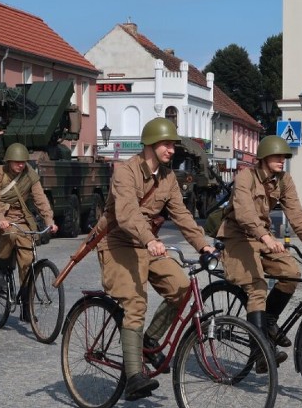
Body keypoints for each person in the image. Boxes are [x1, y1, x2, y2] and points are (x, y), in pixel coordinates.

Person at [95, 118, 214, 401]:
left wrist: (203, 246)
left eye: (173, 144)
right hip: (118, 242)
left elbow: (182, 216)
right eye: (165, 144)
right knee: (135, 302)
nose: (171, 149)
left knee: (183, 288)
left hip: (149, 244)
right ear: (149, 144)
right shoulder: (125, 173)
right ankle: (135, 376)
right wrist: (149, 239)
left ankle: (151, 337)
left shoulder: (168, 178)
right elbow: (126, 214)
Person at [216, 135, 302, 374]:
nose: (282, 160)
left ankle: (269, 321)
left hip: (262, 237)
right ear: (263, 158)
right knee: (257, 287)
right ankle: (260, 351)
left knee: (291, 273)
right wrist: (267, 238)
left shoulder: (284, 180)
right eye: (277, 156)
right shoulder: (245, 177)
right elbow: (244, 213)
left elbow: (296, 214)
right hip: (238, 236)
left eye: (284, 156)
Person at [0, 143, 58, 299]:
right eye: (16, 162)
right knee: (10, 234)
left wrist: (49, 220)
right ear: (8, 161)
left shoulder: (30, 174)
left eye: (23, 162)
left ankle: (27, 301)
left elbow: (41, 199)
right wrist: (0, 219)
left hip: (22, 219)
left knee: (28, 260)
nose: (20, 165)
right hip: (0, 217)